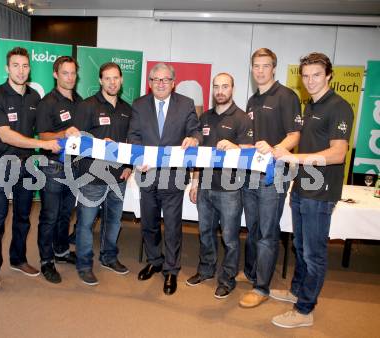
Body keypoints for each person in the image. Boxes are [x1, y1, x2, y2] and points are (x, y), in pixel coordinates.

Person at [271, 52, 353, 328]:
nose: (310, 80)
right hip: (303, 188)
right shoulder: (310, 106)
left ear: (329, 75)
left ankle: (304, 310)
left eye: (316, 74)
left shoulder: (338, 107)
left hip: (321, 194)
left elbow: (338, 153)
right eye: (305, 75)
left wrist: (294, 158)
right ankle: (296, 291)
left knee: (313, 253)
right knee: (299, 246)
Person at [0, 47, 60, 291]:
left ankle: (18, 259)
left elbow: (45, 129)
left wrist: (68, 134)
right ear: (7, 68)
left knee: (23, 216)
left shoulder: (34, 99)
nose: (21, 70)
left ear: (30, 68)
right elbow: (6, 135)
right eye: (15, 65)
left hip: (27, 165)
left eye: (25, 66)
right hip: (1, 163)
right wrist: (43, 144)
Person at [128, 62, 202, 295]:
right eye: (156, 80)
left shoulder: (186, 104)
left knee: (172, 227)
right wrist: (138, 156)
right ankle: (155, 260)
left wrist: (194, 139)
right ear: (150, 83)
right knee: (149, 223)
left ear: (173, 82)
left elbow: (196, 130)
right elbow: (133, 135)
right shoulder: (139, 105)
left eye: (165, 79)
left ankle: (171, 270)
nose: (160, 83)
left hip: (174, 176)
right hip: (147, 174)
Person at [239, 48, 302, 308]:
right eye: (256, 66)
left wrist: (275, 149)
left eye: (265, 66)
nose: (260, 70)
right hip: (252, 173)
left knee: (267, 232)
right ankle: (252, 272)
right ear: (252, 68)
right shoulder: (252, 100)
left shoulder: (287, 96)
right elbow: (251, 140)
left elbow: (295, 135)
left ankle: (261, 287)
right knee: (252, 228)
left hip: (274, 176)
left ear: (274, 68)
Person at [186, 73, 253, 299]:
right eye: (216, 87)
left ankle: (227, 279)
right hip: (205, 186)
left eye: (225, 86)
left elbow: (250, 151)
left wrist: (236, 146)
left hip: (230, 190)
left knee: (230, 238)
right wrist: (195, 181)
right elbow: (197, 154)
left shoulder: (242, 119)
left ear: (232, 89)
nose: (220, 91)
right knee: (205, 232)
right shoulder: (204, 117)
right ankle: (205, 270)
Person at [72, 62, 132, 286]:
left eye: (116, 78)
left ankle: (108, 257)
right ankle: (84, 265)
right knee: (86, 223)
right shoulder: (87, 106)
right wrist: (98, 144)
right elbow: (77, 141)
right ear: (100, 81)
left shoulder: (128, 109)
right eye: (107, 78)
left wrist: (129, 166)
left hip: (119, 177)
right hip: (92, 176)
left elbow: (131, 142)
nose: (112, 82)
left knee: (114, 221)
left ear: (121, 80)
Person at [35, 56, 82, 283]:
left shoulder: (80, 101)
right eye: (65, 73)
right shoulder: (47, 103)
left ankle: (61, 251)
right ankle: (46, 261)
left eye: (73, 73)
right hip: (52, 167)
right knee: (49, 216)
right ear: (56, 74)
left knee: (65, 214)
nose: (70, 77)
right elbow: (43, 136)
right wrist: (64, 133)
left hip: (74, 168)